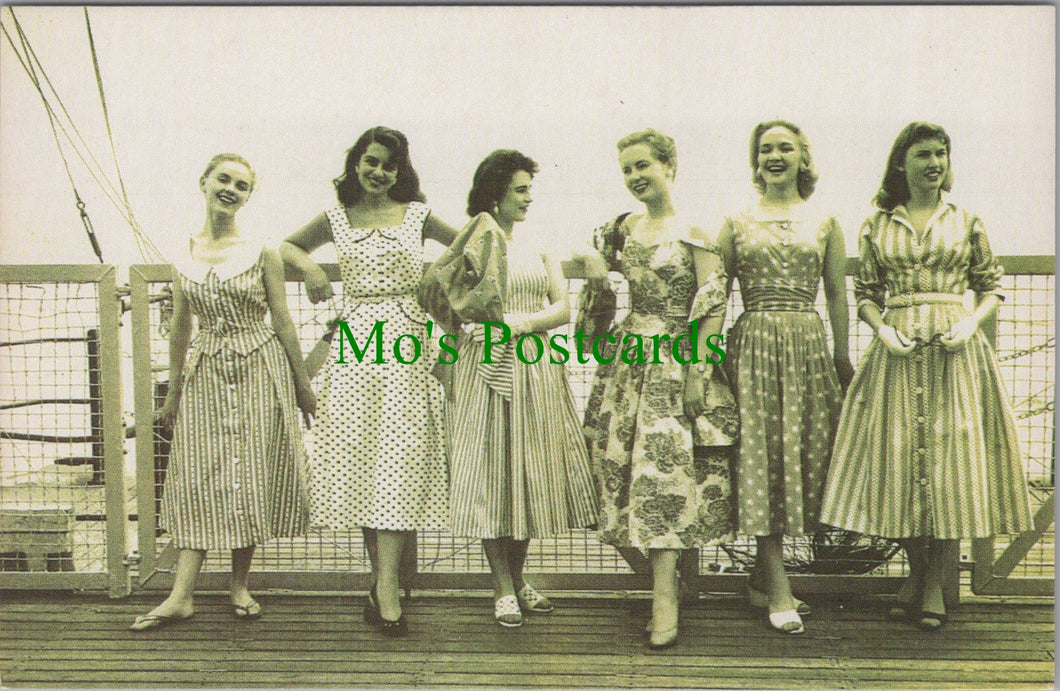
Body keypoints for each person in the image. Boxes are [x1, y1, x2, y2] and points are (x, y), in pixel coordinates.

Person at [819, 122, 1032, 630]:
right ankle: (920, 576)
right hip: (896, 352)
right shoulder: (878, 224)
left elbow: (991, 286)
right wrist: (882, 331)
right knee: (900, 463)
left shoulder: (966, 218)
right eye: (922, 155)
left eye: (940, 154)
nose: (933, 163)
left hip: (953, 354)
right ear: (901, 164)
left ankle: (930, 584)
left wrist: (968, 323)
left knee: (948, 463)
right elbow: (866, 292)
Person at [280, 126, 457, 637]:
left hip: (407, 338)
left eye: (389, 166)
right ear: (356, 162)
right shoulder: (338, 217)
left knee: (400, 458)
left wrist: (436, 273)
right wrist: (312, 267)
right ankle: (385, 584)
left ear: (401, 172)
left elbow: (474, 238)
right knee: (362, 456)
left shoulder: (418, 215)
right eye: (371, 162)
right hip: (358, 339)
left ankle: (384, 586)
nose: (378, 173)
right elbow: (288, 246)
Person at [131, 154, 315, 631]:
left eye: (242, 185)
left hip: (260, 367)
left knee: (246, 473)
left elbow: (282, 319)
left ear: (248, 196)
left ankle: (238, 585)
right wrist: (170, 395)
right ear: (204, 183)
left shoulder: (261, 251)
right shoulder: (185, 252)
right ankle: (180, 596)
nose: (231, 189)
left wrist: (301, 385)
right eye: (224, 179)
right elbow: (178, 327)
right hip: (207, 370)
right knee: (197, 476)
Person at [582, 129, 738, 649]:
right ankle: (663, 586)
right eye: (627, 169)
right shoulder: (624, 227)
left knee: (665, 474)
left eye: (643, 165)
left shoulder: (694, 227)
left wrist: (698, 369)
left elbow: (712, 303)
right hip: (630, 359)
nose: (634, 177)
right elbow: (594, 256)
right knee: (619, 471)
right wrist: (596, 268)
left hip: (676, 358)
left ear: (669, 165)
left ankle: (666, 597)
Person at [446, 149, 599, 628]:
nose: (529, 198)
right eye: (520, 189)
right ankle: (501, 587)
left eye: (530, 189)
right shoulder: (473, 240)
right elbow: (451, 306)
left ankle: (518, 577)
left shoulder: (538, 243)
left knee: (528, 474)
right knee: (492, 475)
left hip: (534, 366)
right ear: (495, 192)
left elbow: (561, 309)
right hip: (484, 368)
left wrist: (519, 324)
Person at [717, 120, 853, 635]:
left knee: (802, 457)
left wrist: (842, 357)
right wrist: (707, 357)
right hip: (753, 344)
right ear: (756, 160)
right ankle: (777, 586)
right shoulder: (737, 219)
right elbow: (717, 293)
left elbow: (838, 294)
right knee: (759, 457)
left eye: (785, 148)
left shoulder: (825, 220)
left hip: (807, 346)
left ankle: (760, 578)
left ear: (802, 157)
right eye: (766, 148)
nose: (775, 155)